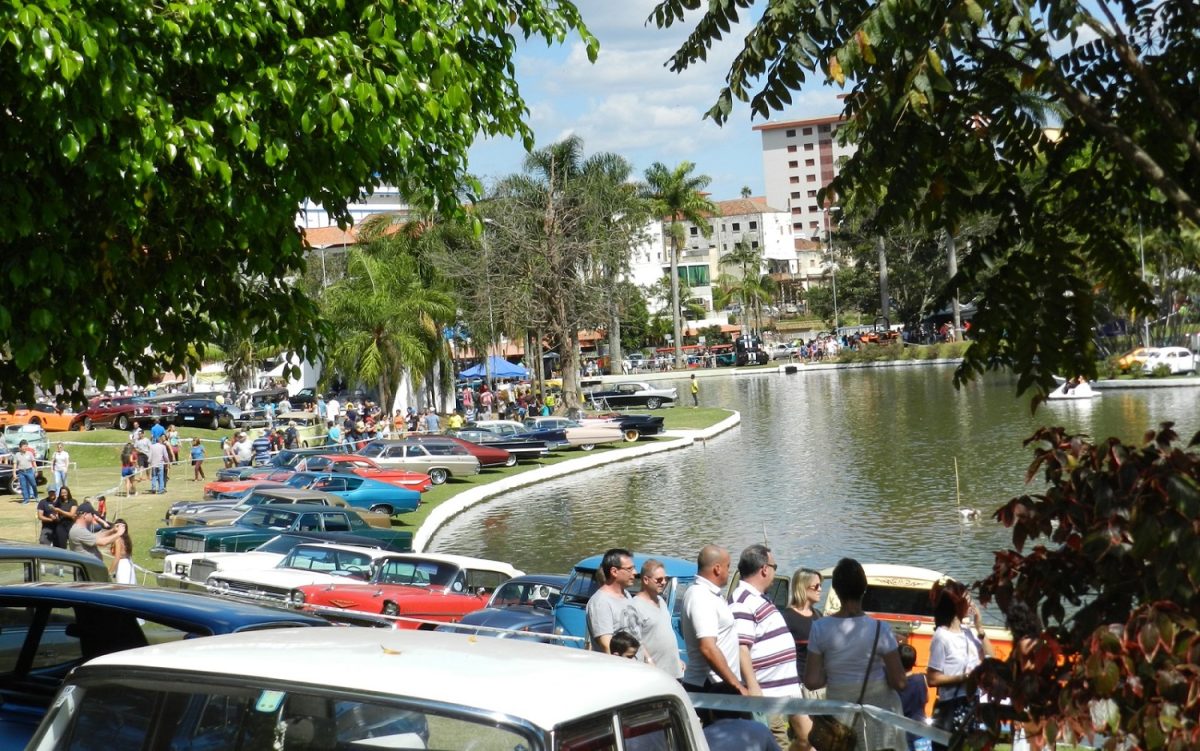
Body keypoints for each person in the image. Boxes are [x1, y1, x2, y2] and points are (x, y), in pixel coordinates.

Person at [806, 558, 908, 751]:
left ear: (835, 589)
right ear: (864, 588)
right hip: (879, 718)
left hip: (840, 719)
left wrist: (834, 672)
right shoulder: (881, 629)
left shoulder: (820, 628)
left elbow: (811, 681)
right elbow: (900, 683)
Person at [729, 544, 801, 749]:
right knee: (778, 744)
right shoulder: (742, 601)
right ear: (764, 569)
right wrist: (754, 689)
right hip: (768, 695)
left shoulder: (759, 598)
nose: (774, 572)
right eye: (775, 566)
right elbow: (742, 648)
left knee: (806, 739)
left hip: (786, 691)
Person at [681, 545, 747, 725]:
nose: (729, 570)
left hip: (719, 684)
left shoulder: (710, 595)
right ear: (717, 568)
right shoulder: (701, 597)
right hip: (709, 686)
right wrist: (737, 685)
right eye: (728, 566)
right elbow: (708, 647)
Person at [926, 580, 993, 748]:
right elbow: (932, 679)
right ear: (958, 605)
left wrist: (980, 629)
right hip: (951, 705)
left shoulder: (968, 632)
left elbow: (991, 657)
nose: (971, 604)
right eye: (968, 600)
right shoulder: (942, 636)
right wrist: (963, 677)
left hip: (971, 704)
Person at [782, 567, 824, 750]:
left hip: (820, 686)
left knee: (816, 738)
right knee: (806, 739)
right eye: (817, 586)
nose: (820, 589)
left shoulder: (818, 615)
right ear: (803, 587)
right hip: (798, 686)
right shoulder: (786, 618)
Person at [626, 559, 684, 678]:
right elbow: (635, 640)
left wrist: (677, 660)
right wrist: (648, 660)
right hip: (654, 672)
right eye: (659, 580)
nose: (663, 582)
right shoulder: (634, 606)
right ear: (646, 580)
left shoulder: (661, 601)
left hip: (674, 671)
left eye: (665, 579)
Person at [585, 548, 635, 653]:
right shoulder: (600, 602)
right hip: (621, 667)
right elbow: (607, 646)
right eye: (629, 569)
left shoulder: (626, 595)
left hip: (637, 667)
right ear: (614, 572)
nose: (634, 572)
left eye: (633, 568)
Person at [898, 644, 930, 751]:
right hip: (922, 729)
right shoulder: (921, 678)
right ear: (915, 662)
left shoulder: (897, 684)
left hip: (903, 731)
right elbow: (927, 698)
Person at [109, 515, 136, 584]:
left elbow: (117, 557)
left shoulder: (118, 539)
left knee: (122, 588)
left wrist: (109, 572)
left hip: (122, 566)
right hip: (129, 564)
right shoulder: (127, 540)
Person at [13, 439, 38, 504]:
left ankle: (36, 496)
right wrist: (14, 473)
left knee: (33, 484)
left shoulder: (30, 453)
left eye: (26, 446)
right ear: (20, 447)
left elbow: (34, 462)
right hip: (21, 472)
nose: (25, 448)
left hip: (29, 471)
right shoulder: (17, 455)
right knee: (23, 486)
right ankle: (26, 499)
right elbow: (15, 464)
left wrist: (36, 470)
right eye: (24, 446)